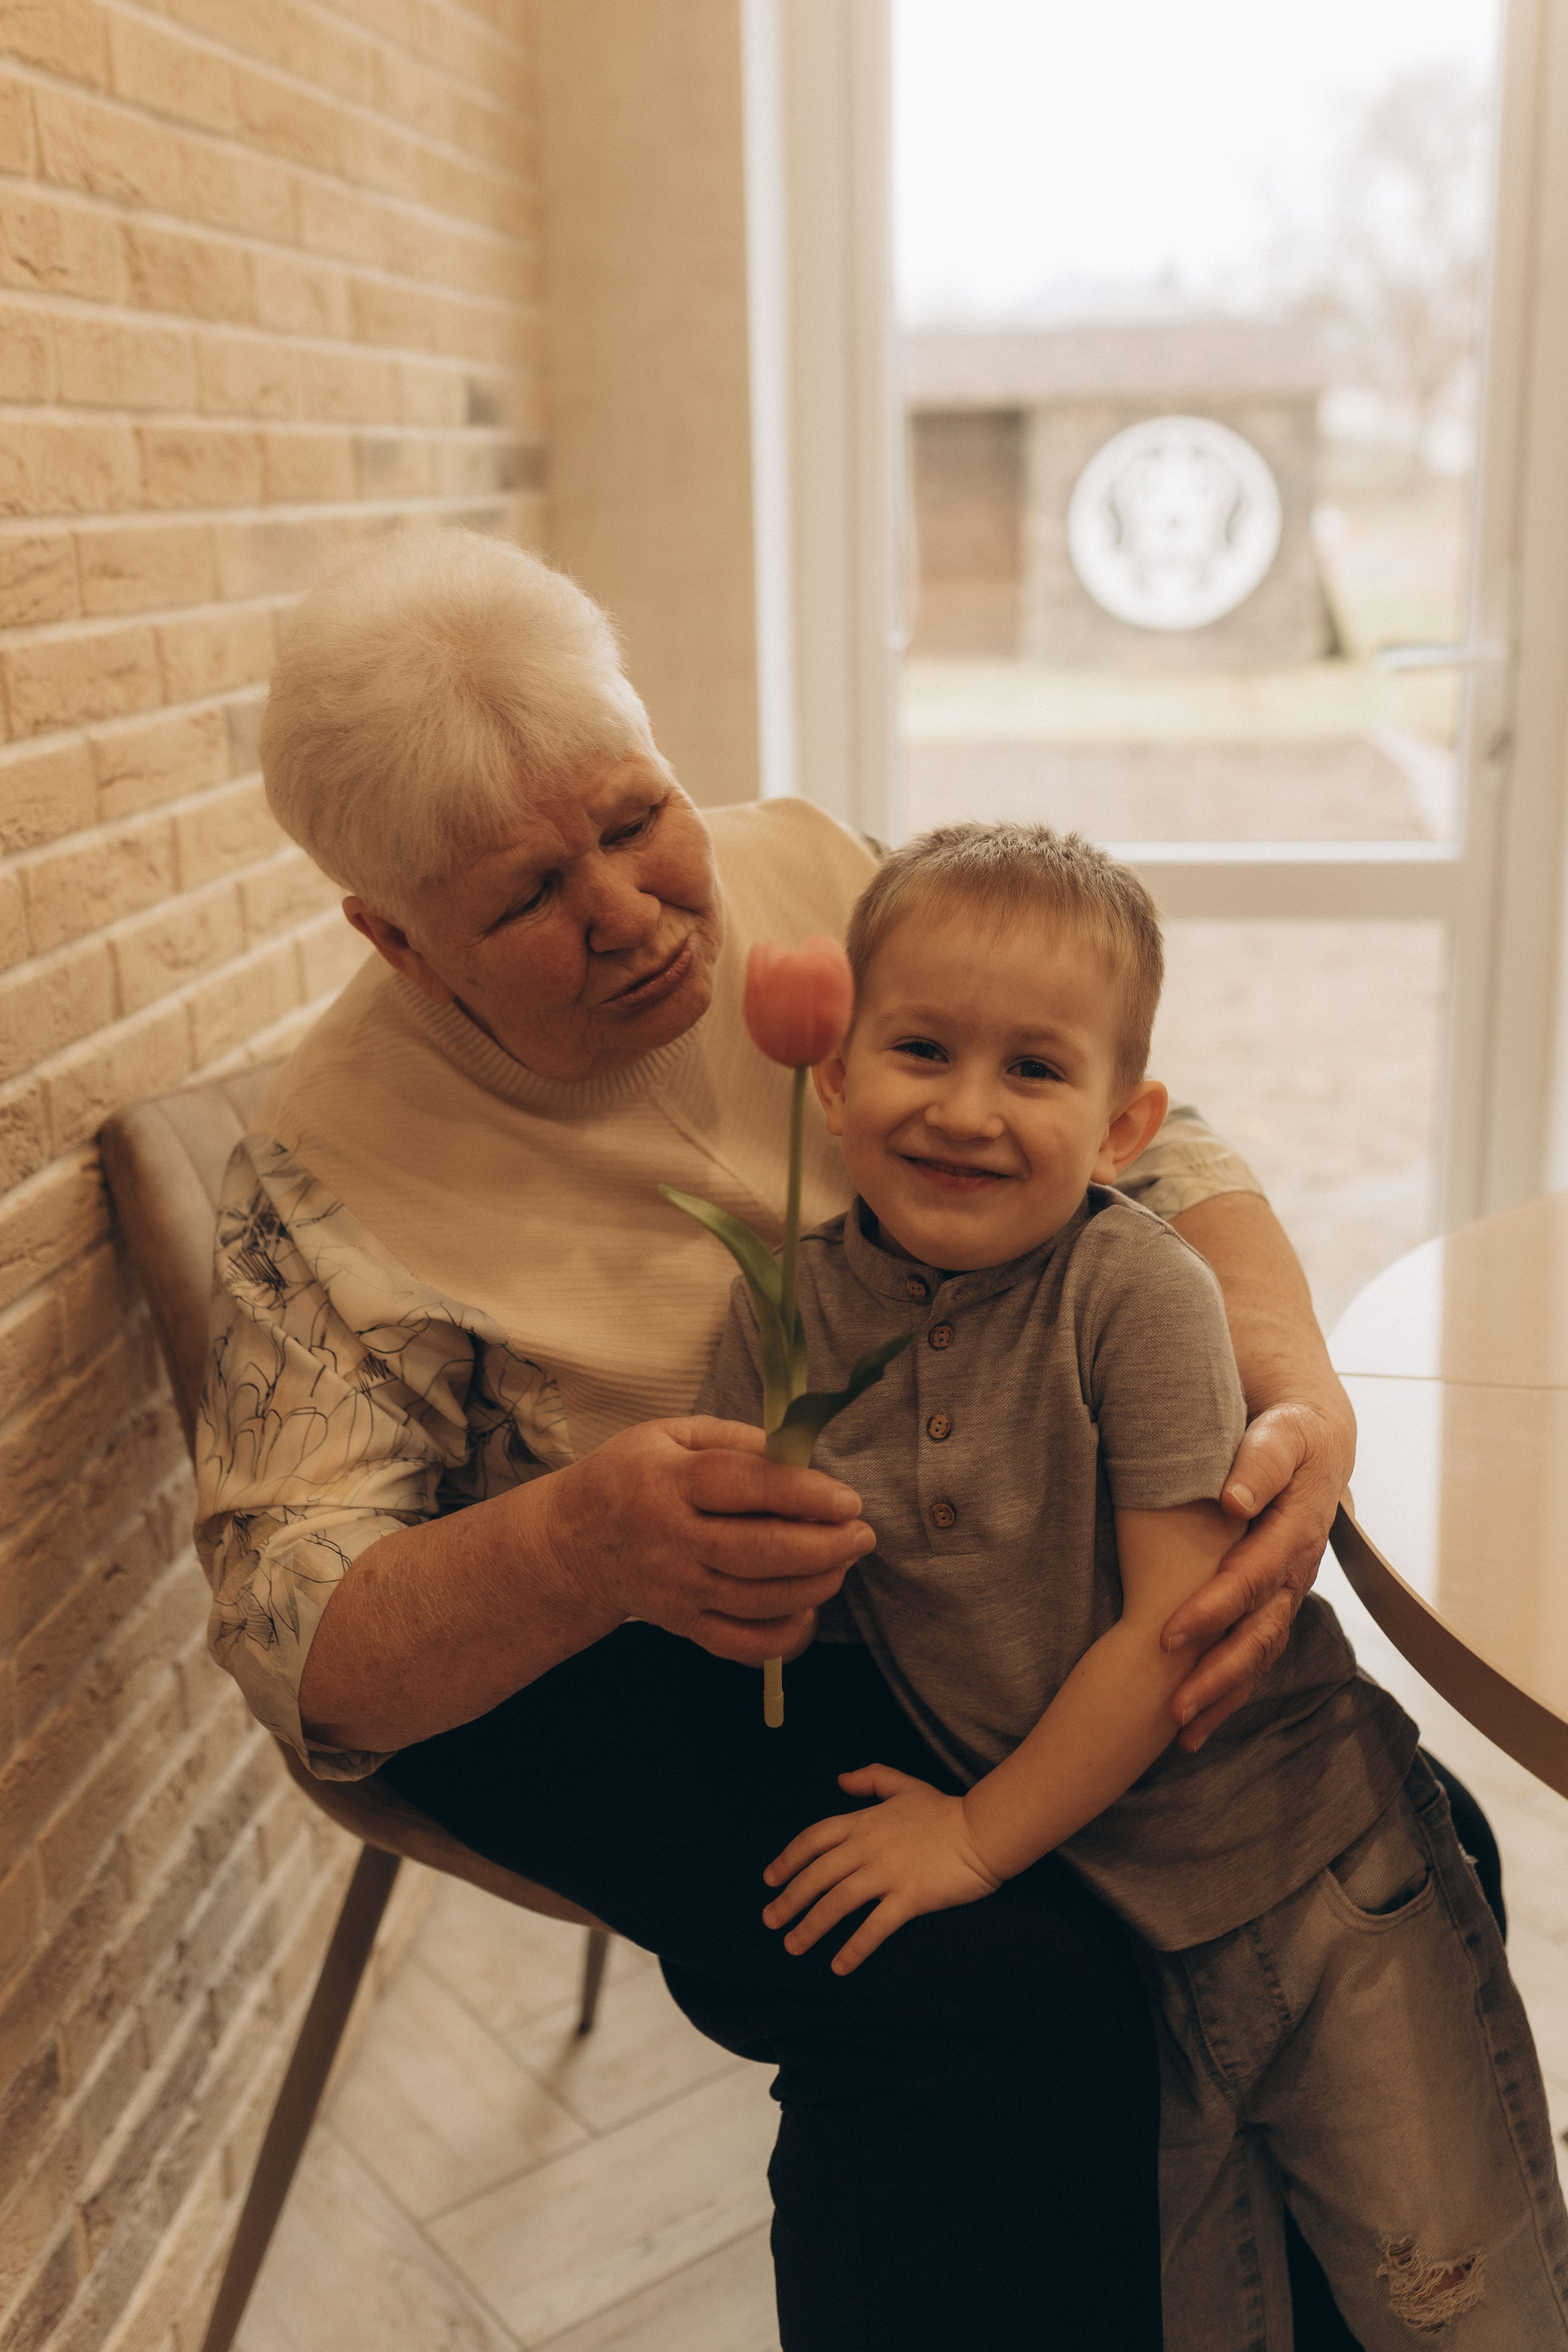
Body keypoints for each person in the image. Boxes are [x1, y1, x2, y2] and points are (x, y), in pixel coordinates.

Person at [197, 525, 1359, 2351]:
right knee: (973, 1993)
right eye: (523, 899)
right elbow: (298, 1633)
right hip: (624, 1643)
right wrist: (580, 1545)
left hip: (969, 1545)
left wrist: (1290, 1381)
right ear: (393, 936)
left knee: (1358, 1844)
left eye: (637, 816)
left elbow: (1155, 1130)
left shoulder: (822, 874)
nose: (639, 913)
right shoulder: (334, 1173)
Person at [699, 821, 1568, 2350]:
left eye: (1034, 1070)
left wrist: (971, 1837)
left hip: (1313, 1884)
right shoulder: (782, 1312)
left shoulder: (1134, 1291)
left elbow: (1173, 1639)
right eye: (920, 1050)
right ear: (832, 1081)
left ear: (1122, 1125)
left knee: (1458, 2300)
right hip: (1110, 1923)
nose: (966, 1110)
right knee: (1204, 2318)